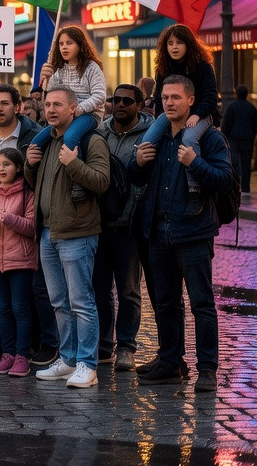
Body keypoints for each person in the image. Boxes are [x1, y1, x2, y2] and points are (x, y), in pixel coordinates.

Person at [130, 75, 236, 392]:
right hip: (158, 231)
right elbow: (136, 179)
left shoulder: (209, 139)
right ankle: (170, 360)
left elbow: (224, 180)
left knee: (201, 304)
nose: (170, 103)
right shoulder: (159, 138)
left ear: (190, 100)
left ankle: (207, 369)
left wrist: (195, 163)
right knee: (165, 302)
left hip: (193, 232)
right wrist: (136, 163)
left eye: (176, 97)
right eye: (165, 97)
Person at [25, 87, 110, 389]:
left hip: (78, 233)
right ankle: (68, 358)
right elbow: (38, 185)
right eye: (47, 104)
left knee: (81, 301)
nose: (50, 109)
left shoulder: (90, 140)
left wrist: (74, 163)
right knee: (59, 301)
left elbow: (101, 182)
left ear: (74, 109)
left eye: (57, 104)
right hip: (48, 232)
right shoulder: (48, 141)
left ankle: (87, 364)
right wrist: (29, 165)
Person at [96, 84, 152, 372]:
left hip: (130, 223)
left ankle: (127, 347)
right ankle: (104, 345)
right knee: (100, 289)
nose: (119, 104)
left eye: (126, 101)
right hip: (101, 222)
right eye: (115, 99)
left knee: (129, 290)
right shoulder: (101, 131)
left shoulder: (149, 133)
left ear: (139, 105)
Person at [0, 148, 37, 377]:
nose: (2, 169)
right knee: (3, 309)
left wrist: (10, 220)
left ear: (19, 167)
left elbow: (32, 226)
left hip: (20, 259)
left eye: (7, 165)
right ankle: (7, 353)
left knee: (20, 308)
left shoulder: (26, 192)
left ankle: (22, 355)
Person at [140, 24, 219, 192]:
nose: (174, 47)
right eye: (170, 43)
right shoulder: (163, 68)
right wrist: (161, 119)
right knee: (148, 138)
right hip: (171, 114)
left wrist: (197, 115)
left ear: (188, 44)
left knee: (189, 139)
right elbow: (159, 97)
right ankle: (146, 180)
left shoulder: (203, 66)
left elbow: (210, 96)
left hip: (201, 114)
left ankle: (194, 186)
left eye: (179, 42)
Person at [30, 26, 107, 164]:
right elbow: (52, 95)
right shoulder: (58, 69)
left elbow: (100, 96)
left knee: (70, 137)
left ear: (80, 45)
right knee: (35, 143)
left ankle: (77, 172)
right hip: (64, 115)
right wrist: (46, 79)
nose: (64, 47)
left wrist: (78, 109)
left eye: (69, 43)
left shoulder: (91, 67)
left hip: (90, 114)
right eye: (61, 44)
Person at [221, 85, 257, 195]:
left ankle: (234, 186)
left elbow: (226, 124)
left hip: (234, 139)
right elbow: (255, 123)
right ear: (247, 94)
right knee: (246, 164)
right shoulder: (251, 108)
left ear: (236, 94)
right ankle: (246, 188)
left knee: (233, 162)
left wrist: (225, 137)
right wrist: (252, 135)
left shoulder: (231, 107)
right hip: (248, 139)